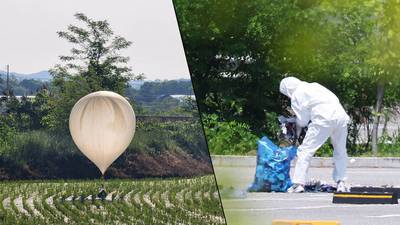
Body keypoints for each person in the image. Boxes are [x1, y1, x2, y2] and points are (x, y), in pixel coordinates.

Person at [279, 77, 350, 193]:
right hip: (341, 117)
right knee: (340, 151)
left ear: (287, 90)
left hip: (323, 119)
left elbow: (303, 121)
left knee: (305, 151)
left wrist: (293, 121)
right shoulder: (314, 85)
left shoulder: (297, 94)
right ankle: (341, 183)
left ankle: (298, 183)